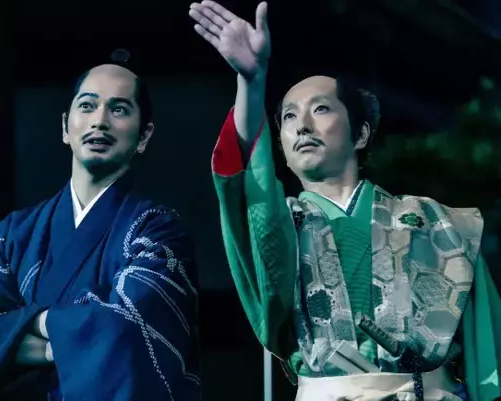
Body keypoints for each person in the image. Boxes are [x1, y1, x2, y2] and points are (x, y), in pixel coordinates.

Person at [189, 2, 501, 400]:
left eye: (320, 109)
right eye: (288, 117)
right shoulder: (282, 228)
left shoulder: (438, 223)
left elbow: (488, 357)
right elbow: (251, 191)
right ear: (279, 145)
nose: (303, 126)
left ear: (361, 134)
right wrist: (252, 81)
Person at [0, 50, 201, 401]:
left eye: (119, 109)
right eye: (87, 106)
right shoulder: (8, 237)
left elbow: (129, 333)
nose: (100, 121)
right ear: (66, 126)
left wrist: (20, 331)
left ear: (144, 136)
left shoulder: (157, 232)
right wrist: (76, 342)